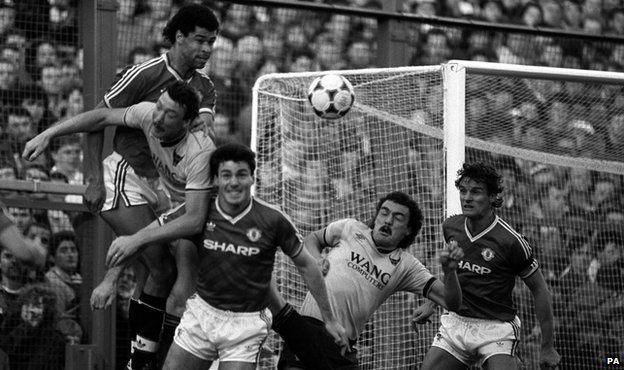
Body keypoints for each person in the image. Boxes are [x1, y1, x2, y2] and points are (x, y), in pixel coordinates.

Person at [22, 81, 216, 370]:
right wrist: (49, 133)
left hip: (206, 217)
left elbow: (194, 219)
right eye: (159, 107)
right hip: (175, 208)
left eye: (170, 115)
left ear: (187, 122)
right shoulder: (148, 114)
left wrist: (136, 241)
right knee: (164, 275)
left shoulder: (200, 151)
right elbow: (100, 117)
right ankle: (141, 362)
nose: (159, 118)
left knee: (183, 290)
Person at [106, 143, 348, 370]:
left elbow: (307, 265)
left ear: (252, 178)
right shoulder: (199, 212)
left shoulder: (273, 219)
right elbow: (148, 233)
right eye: (227, 175)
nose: (234, 182)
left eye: (241, 174)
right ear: (215, 180)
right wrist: (112, 276)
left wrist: (330, 319)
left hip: (246, 325)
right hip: (202, 316)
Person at [270, 191, 464, 370]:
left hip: (342, 345)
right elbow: (313, 239)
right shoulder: (350, 228)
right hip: (308, 328)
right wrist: (317, 260)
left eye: (398, 218)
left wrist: (449, 272)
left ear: (408, 230)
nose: (387, 220)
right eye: (384, 213)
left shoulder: (406, 265)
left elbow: (451, 301)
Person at [419, 162, 561, 370]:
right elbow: (456, 272)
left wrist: (547, 346)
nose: (467, 197)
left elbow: (540, 290)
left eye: (476, 192)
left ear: (493, 197)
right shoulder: (450, 227)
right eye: (463, 191)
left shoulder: (511, 241)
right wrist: (431, 303)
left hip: (496, 329)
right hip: (457, 323)